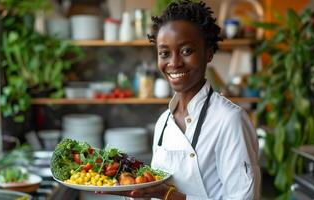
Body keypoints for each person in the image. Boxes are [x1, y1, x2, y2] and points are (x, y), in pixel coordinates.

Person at [103, 0, 260, 199]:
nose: (174, 63)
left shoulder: (229, 120)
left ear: (209, 53)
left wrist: (169, 195)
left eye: (186, 51)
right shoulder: (163, 123)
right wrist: (130, 187)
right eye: (164, 53)